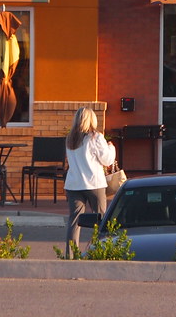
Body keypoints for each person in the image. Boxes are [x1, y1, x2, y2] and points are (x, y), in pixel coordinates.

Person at [63, 106, 116, 255]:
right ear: (91, 119)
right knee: (101, 219)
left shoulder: (70, 138)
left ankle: (71, 254)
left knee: (74, 221)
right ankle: (100, 251)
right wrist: (111, 148)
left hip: (74, 184)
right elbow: (107, 160)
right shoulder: (95, 137)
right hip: (94, 183)